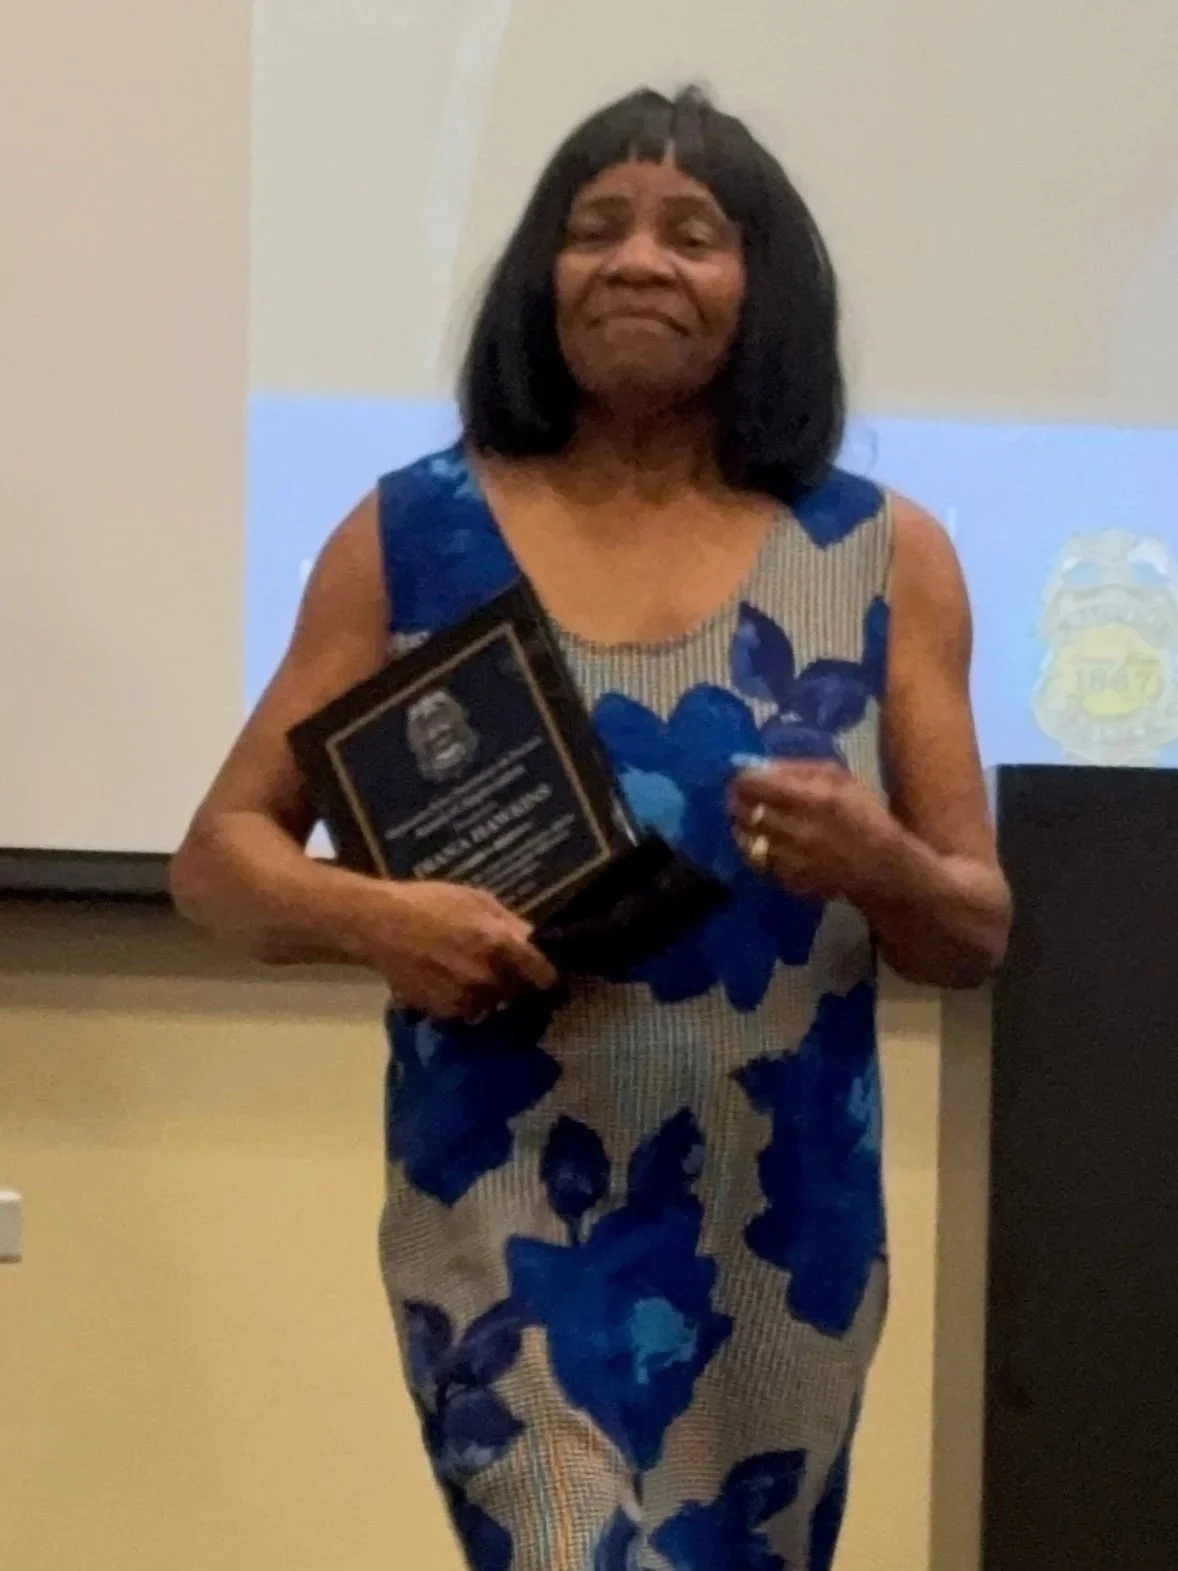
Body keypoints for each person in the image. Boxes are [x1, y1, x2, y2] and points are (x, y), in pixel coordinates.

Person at [173, 87, 1010, 1571]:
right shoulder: (409, 532)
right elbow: (218, 858)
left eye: (691, 233)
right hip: (501, 1208)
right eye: (592, 229)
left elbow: (973, 926)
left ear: (766, 289)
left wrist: (875, 861)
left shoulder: (886, 555)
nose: (635, 260)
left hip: (780, 1230)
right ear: (536, 282)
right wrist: (377, 918)